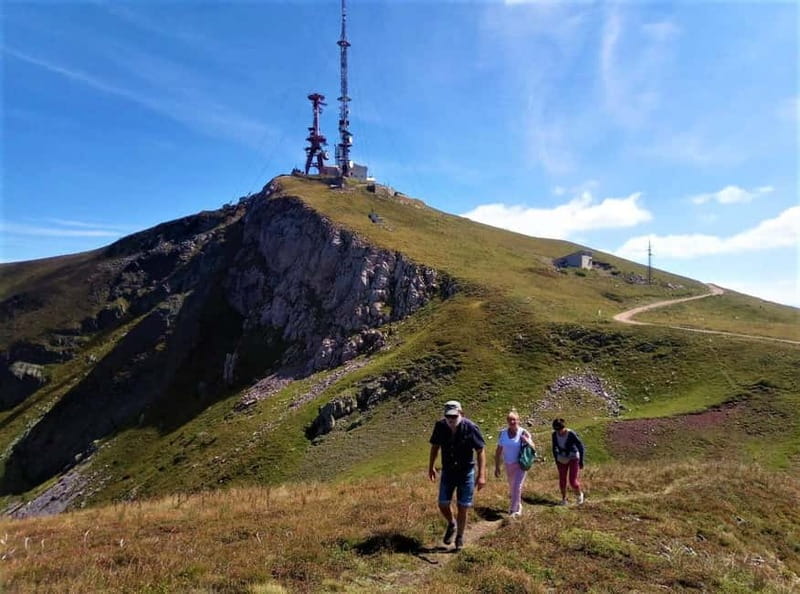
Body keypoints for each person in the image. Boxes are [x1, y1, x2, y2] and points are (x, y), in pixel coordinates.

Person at [428, 400, 487, 550]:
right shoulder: (440, 426)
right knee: (442, 503)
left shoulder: (471, 428)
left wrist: (481, 475)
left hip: (466, 471)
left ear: (461, 413)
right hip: (448, 470)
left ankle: (459, 537)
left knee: (463, 506)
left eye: (454, 416)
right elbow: (435, 447)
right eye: (448, 416)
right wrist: (431, 466)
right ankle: (451, 523)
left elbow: (480, 451)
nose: (451, 419)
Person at [494, 409, 535, 517]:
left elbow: (533, 447)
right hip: (508, 464)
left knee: (517, 486)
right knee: (512, 487)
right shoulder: (502, 433)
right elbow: (498, 451)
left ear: (518, 420)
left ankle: (514, 510)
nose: (512, 422)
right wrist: (497, 466)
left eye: (514, 420)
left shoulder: (523, 432)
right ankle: (519, 505)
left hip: (521, 463)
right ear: (507, 421)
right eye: (510, 420)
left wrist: (527, 442)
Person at [551, 418, 585, 505]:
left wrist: (581, 461)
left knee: (572, 481)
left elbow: (580, 446)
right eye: (557, 430)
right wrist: (556, 459)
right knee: (562, 480)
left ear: (564, 427)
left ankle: (579, 495)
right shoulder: (554, 435)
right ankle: (564, 499)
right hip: (562, 458)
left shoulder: (571, 434)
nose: (559, 432)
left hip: (573, 457)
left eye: (560, 430)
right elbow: (554, 447)